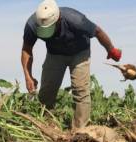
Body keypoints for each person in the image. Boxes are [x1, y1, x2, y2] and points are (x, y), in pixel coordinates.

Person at [21, 0, 122, 130]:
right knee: (47, 91)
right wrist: (27, 76)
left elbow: (98, 32)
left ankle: (80, 131)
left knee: (80, 91)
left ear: (58, 20)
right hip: (55, 54)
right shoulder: (32, 24)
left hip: (80, 53)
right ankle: (45, 126)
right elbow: (26, 49)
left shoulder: (76, 20)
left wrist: (111, 50)